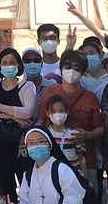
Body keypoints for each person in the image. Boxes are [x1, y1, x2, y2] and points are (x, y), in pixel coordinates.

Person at [38, 50, 104, 186]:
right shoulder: (50, 93)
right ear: (61, 68)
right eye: (67, 66)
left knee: (87, 199)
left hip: (85, 161)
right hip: (52, 160)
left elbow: (100, 128)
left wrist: (87, 135)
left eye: (77, 68)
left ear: (83, 72)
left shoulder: (90, 97)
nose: (71, 70)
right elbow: (40, 122)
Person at [0, 48, 37, 199]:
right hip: (0, 147)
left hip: (22, 148)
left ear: (19, 65)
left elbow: (28, 112)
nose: (8, 66)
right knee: (5, 191)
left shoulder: (27, 87)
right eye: (4, 63)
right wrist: (14, 117)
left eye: (12, 63)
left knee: (28, 188)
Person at [45, 96, 85, 174]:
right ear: (47, 113)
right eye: (53, 111)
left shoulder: (75, 134)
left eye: (61, 111)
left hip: (73, 174)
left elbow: (82, 158)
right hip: (52, 175)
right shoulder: (45, 134)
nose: (58, 114)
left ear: (67, 112)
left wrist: (86, 178)